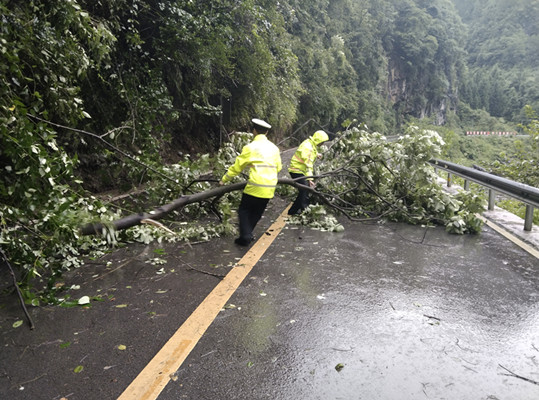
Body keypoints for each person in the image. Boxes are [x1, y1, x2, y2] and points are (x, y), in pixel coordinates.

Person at [219, 118, 282, 246]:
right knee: (257, 212)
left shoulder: (250, 147)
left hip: (255, 185)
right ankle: (248, 234)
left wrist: (224, 179)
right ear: (267, 133)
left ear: (254, 131)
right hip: (269, 187)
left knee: (244, 210)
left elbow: (237, 167)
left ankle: (246, 236)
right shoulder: (274, 148)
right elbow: (279, 167)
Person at [287, 130, 329, 215]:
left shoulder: (309, 143)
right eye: (322, 142)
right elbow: (308, 166)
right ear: (318, 141)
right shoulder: (308, 148)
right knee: (305, 188)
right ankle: (304, 209)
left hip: (299, 169)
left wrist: (317, 154)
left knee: (303, 189)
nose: (323, 144)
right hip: (297, 170)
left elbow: (312, 151)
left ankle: (293, 210)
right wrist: (310, 179)